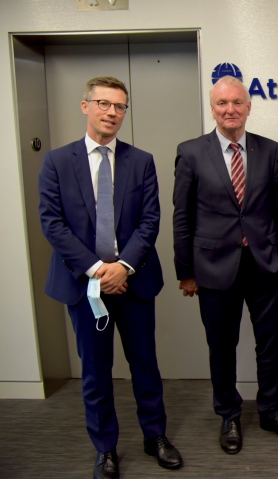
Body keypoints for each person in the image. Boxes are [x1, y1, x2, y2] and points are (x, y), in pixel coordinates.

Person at [38, 76, 183, 479]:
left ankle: (155, 437)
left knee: (145, 366)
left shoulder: (142, 160)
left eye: (120, 106)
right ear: (86, 106)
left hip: (133, 282)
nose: (112, 113)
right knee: (96, 372)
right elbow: (53, 224)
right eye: (103, 103)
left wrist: (123, 267)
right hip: (84, 286)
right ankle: (105, 449)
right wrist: (96, 270)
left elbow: (150, 220)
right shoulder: (56, 162)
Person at [172, 75, 278, 455]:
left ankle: (270, 411)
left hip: (264, 264)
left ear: (248, 106)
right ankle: (229, 415)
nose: (230, 109)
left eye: (237, 102)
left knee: (270, 344)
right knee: (222, 346)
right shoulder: (192, 151)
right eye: (221, 103)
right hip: (213, 268)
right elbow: (183, 217)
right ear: (212, 108)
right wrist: (186, 271)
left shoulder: (269, 149)